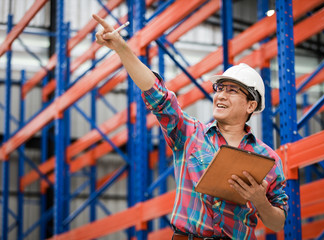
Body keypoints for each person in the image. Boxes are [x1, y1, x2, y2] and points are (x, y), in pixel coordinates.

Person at [93, 14, 288, 240]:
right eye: (219, 88)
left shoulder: (268, 158)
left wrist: (260, 200)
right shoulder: (189, 134)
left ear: (251, 105)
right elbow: (158, 96)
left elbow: (277, 223)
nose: (220, 96)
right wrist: (121, 48)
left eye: (231, 91)